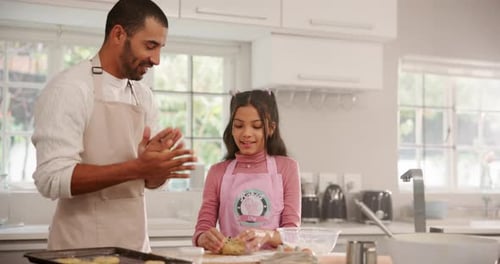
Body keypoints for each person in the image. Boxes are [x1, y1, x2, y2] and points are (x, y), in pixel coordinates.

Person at [31, 0, 196, 252]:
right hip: (79, 251)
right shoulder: (70, 89)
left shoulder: (143, 96)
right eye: (150, 46)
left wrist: (157, 169)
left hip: (135, 249)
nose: (157, 59)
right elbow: (52, 179)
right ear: (119, 34)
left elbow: (147, 183)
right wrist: (136, 167)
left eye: (160, 48)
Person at [193, 90, 301, 253]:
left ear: (271, 128)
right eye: (238, 125)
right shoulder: (217, 172)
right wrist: (204, 238)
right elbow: (202, 229)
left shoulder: (287, 168)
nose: (246, 134)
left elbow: (292, 234)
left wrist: (267, 235)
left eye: (256, 126)